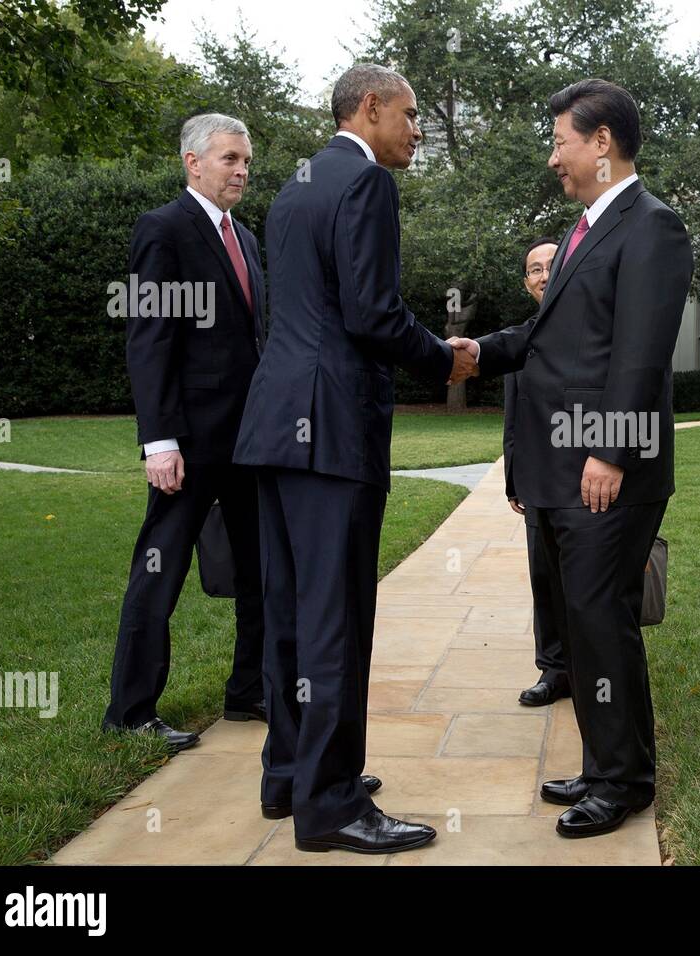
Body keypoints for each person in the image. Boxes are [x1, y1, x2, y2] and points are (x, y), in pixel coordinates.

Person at [232, 64, 477, 855]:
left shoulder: (293, 186)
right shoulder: (366, 186)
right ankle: (332, 805)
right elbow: (373, 315)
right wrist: (445, 359)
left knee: (289, 612)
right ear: (367, 108)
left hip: (273, 424)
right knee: (337, 620)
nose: (416, 133)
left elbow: (292, 315)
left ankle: (289, 777)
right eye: (410, 116)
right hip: (332, 431)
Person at [452, 79, 693, 838]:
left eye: (560, 139)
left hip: (605, 466)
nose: (552, 155)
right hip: (564, 465)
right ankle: (601, 764)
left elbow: (640, 354)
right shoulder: (586, 229)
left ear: (601, 142)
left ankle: (623, 782)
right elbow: (548, 337)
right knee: (582, 622)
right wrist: (476, 353)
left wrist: (611, 450)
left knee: (600, 619)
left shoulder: (653, 227)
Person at [103, 113, 267, 752]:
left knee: (260, 571)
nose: (242, 171)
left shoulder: (247, 239)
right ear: (193, 163)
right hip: (189, 444)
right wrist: (160, 440)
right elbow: (149, 340)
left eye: (246, 160)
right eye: (230, 159)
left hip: (248, 441)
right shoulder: (163, 230)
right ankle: (131, 711)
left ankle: (249, 691)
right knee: (160, 569)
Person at [506, 236, 572, 707]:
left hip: (585, 477)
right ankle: (554, 669)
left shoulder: (592, 327)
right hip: (536, 482)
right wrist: (514, 480)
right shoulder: (520, 339)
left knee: (586, 581)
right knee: (544, 578)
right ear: (527, 282)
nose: (544, 275)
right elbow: (514, 421)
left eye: (552, 264)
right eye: (535, 269)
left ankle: (594, 669)